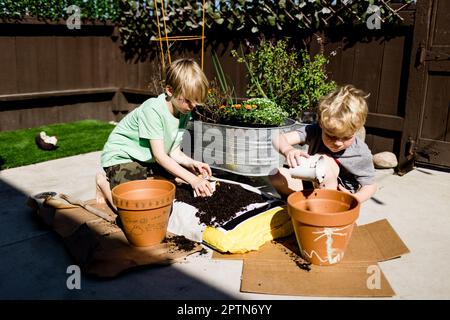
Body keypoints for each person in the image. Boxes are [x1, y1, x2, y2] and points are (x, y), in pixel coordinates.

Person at [96, 58, 214, 209]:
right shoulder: (153, 110)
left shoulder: (184, 111)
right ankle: (102, 182)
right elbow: (160, 156)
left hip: (146, 159)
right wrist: (194, 180)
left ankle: (145, 177)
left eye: (196, 101)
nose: (193, 106)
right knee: (133, 206)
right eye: (188, 100)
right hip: (121, 156)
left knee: (174, 183)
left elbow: (174, 151)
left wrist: (192, 163)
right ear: (170, 90)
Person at [270, 84, 377, 203]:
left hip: (338, 197)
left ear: (356, 130)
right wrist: (288, 150)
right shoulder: (315, 130)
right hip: (311, 183)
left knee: (324, 161)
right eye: (331, 136)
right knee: (275, 175)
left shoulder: (361, 153)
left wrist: (354, 199)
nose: (338, 143)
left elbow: (370, 185)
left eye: (346, 137)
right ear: (321, 124)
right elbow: (277, 138)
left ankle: (324, 211)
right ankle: (299, 204)